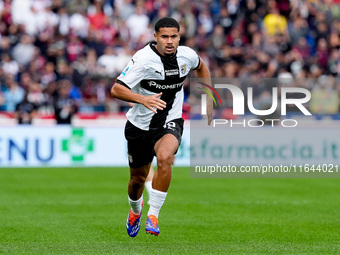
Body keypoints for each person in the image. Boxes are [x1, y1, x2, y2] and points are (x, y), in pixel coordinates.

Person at [111, 17, 212, 237]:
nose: (169, 41)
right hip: (139, 125)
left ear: (179, 37)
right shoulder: (143, 59)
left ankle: (153, 215)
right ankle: (135, 211)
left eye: (173, 36)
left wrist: (209, 98)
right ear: (155, 37)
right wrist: (142, 99)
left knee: (166, 157)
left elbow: (202, 67)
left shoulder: (187, 55)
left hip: (170, 120)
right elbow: (117, 89)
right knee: (137, 180)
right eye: (164, 36)